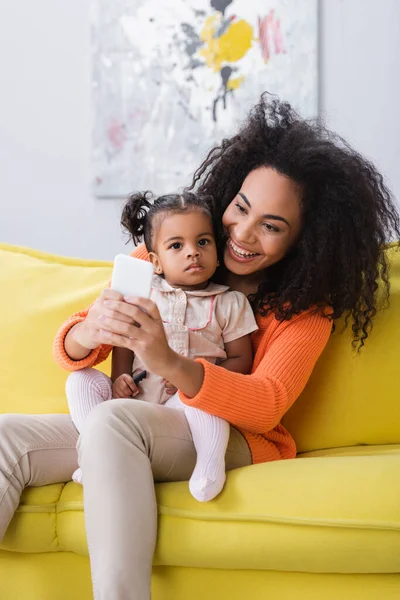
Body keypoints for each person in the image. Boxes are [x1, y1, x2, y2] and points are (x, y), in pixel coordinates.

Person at [1, 94, 399, 600]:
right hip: (140, 417)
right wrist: (90, 331)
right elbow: (79, 343)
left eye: (272, 227)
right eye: (241, 208)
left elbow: (265, 404)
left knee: (112, 422)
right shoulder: (177, 247)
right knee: (7, 436)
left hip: (227, 437)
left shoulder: (305, 310)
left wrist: (170, 363)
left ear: (306, 241)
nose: (242, 235)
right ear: (227, 195)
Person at [66, 190, 258, 502]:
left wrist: (195, 376)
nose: (192, 253)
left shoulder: (230, 302)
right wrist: (119, 379)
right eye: (177, 246)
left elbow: (241, 360)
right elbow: (124, 343)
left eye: (203, 242)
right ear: (155, 262)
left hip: (182, 408)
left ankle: (210, 466)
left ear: (218, 249)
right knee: (80, 380)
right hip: (134, 402)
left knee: (205, 404)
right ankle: (92, 454)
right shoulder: (142, 294)